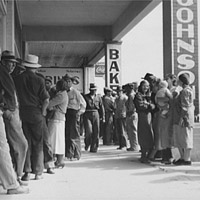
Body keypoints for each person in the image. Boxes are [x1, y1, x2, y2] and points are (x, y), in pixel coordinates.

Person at [14, 54, 50, 181]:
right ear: (35, 67)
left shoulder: (17, 79)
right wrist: (43, 112)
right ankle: (38, 172)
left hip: (22, 113)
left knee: (25, 142)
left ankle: (26, 172)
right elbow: (46, 99)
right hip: (36, 113)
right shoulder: (39, 80)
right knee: (38, 142)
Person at [0, 50, 28, 185]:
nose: (12, 66)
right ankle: (16, 176)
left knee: (13, 146)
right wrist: (5, 107)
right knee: (21, 144)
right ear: (4, 62)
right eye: (10, 63)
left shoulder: (6, 73)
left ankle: (14, 176)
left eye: (14, 64)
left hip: (11, 112)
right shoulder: (2, 72)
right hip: (9, 113)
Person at [173, 73, 194, 165]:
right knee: (183, 137)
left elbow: (185, 106)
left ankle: (186, 159)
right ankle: (184, 157)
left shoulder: (185, 91)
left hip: (184, 118)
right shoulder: (188, 90)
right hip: (186, 117)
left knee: (185, 137)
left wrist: (182, 117)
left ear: (181, 81)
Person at [63, 74, 86, 160]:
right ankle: (69, 154)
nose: (67, 83)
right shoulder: (63, 92)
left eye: (69, 81)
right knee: (67, 134)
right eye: (66, 81)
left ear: (72, 83)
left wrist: (79, 113)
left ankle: (77, 154)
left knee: (74, 135)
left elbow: (83, 104)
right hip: (66, 113)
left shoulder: (75, 92)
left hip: (73, 113)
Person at [47, 79, 68, 168]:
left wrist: (49, 108)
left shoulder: (60, 95)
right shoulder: (64, 94)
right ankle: (59, 160)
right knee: (59, 140)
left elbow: (49, 104)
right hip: (60, 118)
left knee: (53, 140)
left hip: (56, 119)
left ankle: (58, 160)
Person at [134, 80, 155, 163]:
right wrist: (148, 105)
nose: (145, 88)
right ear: (140, 86)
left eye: (147, 86)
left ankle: (148, 155)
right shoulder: (138, 95)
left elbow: (153, 106)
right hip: (142, 116)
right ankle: (143, 155)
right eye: (144, 86)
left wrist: (148, 104)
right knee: (143, 134)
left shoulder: (149, 95)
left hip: (149, 116)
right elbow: (140, 106)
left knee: (150, 134)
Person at [83, 83, 105, 153]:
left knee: (96, 131)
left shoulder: (98, 97)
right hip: (87, 113)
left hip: (96, 113)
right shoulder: (85, 97)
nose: (93, 91)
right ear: (90, 90)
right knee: (89, 131)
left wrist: (103, 117)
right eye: (92, 90)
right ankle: (87, 143)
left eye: (95, 90)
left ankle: (94, 147)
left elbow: (101, 107)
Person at [125, 83, 139, 151]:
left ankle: (134, 146)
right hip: (132, 113)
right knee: (131, 130)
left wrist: (129, 113)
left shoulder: (131, 95)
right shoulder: (132, 95)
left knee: (132, 130)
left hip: (132, 114)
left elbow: (131, 106)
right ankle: (133, 145)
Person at [114, 85, 128, 150]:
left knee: (123, 131)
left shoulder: (125, 98)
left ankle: (124, 144)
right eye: (117, 91)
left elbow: (127, 106)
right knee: (119, 131)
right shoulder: (116, 99)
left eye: (119, 91)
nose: (118, 92)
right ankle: (120, 144)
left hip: (123, 115)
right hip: (117, 115)